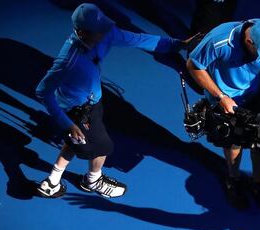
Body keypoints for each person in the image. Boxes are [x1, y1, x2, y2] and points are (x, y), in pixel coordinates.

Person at [36, 3, 194, 198]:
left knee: (75, 141)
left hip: (94, 101)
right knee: (102, 147)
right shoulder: (67, 61)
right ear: (82, 33)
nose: (105, 33)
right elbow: (43, 91)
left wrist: (177, 44)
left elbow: (139, 39)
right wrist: (67, 124)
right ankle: (92, 181)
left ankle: (52, 182)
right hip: (75, 110)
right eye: (98, 31)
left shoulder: (106, 33)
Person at [185, 18, 260, 211]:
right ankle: (233, 179)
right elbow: (193, 65)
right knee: (234, 142)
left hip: (258, 93)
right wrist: (220, 97)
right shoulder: (219, 40)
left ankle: (257, 182)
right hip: (227, 99)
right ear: (250, 42)